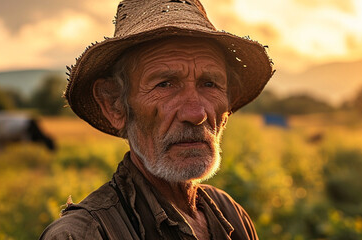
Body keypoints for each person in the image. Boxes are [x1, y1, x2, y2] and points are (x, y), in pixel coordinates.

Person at [40, 0, 273, 239]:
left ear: (226, 109)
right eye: (165, 84)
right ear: (115, 105)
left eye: (209, 84)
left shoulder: (230, 213)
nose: (196, 114)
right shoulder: (82, 234)